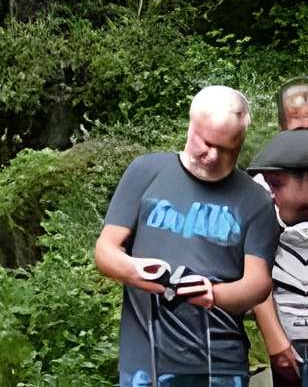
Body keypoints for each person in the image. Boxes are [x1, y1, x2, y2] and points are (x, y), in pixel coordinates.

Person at [96, 86, 280, 387]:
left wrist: (213, 295)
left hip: (221, 365)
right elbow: (106, 250)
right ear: (191, 125)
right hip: (147, 364)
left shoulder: (256, 200)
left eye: (227, 149)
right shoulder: (146, 171)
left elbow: (258, 283)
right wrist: (136, 270)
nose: (213, 156)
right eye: (206, 143)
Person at [250, 128, 308, 387]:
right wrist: (276, 341)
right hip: (290, 353)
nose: (270, 194)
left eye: (277, 184)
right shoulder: (266, 227)